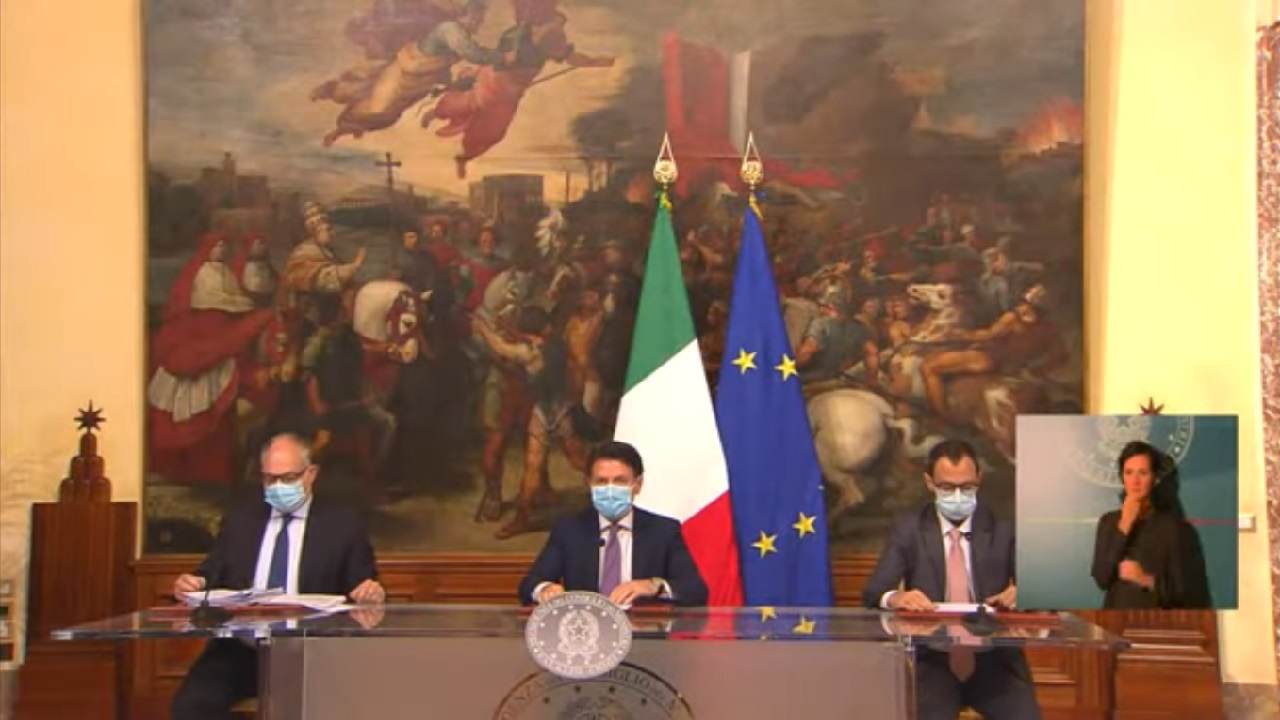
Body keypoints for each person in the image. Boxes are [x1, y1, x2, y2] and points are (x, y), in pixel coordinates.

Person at [170, 433, 385, 718]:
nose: (278, 487)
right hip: (242, 651)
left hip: (315, 653)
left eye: (288, 478)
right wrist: (193, 583)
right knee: (191, 706)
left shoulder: (343, 524)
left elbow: (364, 584)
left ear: (310, 474)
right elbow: (210, 573)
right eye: (270, 479)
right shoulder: (241, 520)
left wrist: (370, 593)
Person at [862, 439, 1040, 720]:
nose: (958, 496)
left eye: (966, 487)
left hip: (997, 661)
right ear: (929, 483)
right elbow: (874, 592)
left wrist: (1026, 591)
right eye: (947, 487)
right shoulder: (909, 527)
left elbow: (1040, 589)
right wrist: (897, 597)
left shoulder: (1005, 525)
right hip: (933, 661)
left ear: (979, 480)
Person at [517, 441, 708, 607]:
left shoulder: (662, 531)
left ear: (638, 484)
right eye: (601, 481)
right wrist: (544, 589)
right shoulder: (569, 530)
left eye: (620, 481)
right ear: (589, 484)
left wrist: (653, 585)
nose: (610, 490)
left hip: (644, 633)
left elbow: (695, 590)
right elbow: (529, 585)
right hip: (586, 632)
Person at [1091, 440, 1209, 609]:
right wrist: (1124, 526)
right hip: (1116, 617)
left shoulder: (1172, 527)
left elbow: (1185, 592)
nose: (1135, 481)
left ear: (1154, 478)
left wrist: (1146, 580)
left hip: (1155, 617)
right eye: (1129, 472)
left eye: (1143, 473)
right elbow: (1101, 578)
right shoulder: (1108, 522)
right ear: (1122, 477)